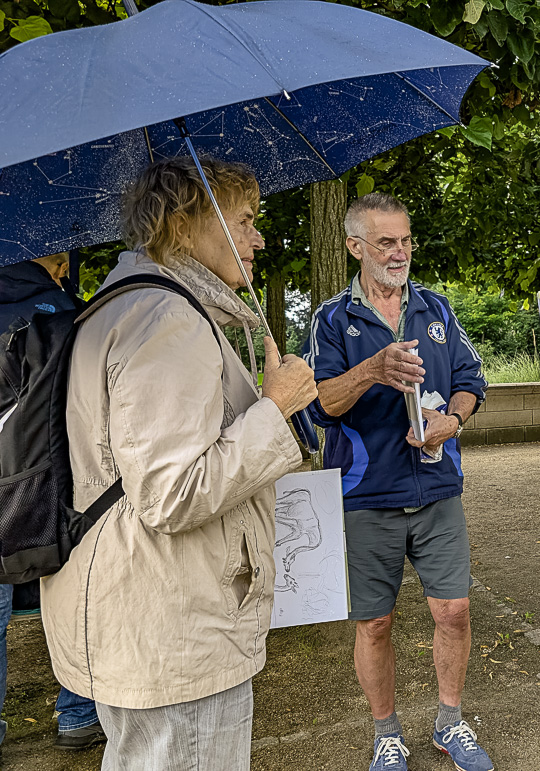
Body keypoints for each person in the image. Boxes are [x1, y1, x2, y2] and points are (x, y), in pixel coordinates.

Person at [39, 157, 318, 770]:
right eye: (245, 219)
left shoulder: (122, 302)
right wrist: (278, 408)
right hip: (174, 626)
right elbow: (171, 494)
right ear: (187, 222)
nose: (258, 237)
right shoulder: (169, 319)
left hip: (138, 613)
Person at [304, 193, 491, 771]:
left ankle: (450, 723)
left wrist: (452, 421)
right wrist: (372, 369)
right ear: (355, 247)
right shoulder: (332, 320)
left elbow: (469, 379)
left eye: (406, 239)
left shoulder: (435, 309)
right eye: (386, 242)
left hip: (437, 489)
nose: (400, 251)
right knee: (376, 621)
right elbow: (319, 405)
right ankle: (387, 733)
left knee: (454, 611)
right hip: (366, 497)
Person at [0, 252, 106, 753]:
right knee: (74, 596)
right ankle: (79, 713)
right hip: (56, 488)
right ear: (56, 257)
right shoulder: (65, 312)